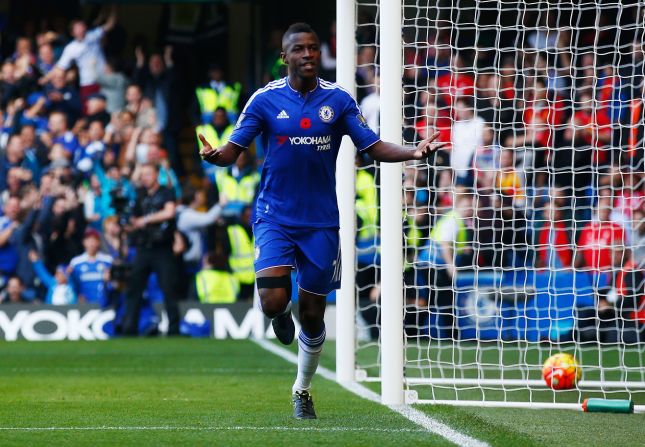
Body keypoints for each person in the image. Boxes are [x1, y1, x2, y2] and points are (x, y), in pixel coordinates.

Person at [198, 22, 445, 420]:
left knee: (312, 314)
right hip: (274, 215)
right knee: (272, 300)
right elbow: (232, 150)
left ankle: (302, 389)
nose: (308, 54)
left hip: (321, 222)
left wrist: (413, 153)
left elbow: (372, 145)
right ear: (285, 57)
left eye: (313, 48)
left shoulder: (339, 100)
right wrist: (215, 157)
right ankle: (278, 316)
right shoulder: (264, 100)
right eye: (299, 49)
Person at [123, 163, 180, 336]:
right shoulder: (140, 195)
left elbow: (169, 212)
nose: (144, 178)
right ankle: (129, 328)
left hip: (162, 248)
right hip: (143, 247)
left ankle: (173, 329)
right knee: (134, 288)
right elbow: (134, 220)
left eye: (148, 174)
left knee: (168, 288)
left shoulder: (166, 192)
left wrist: (145, 220)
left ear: (156, 175)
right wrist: (128, 225)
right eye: (143, 175)